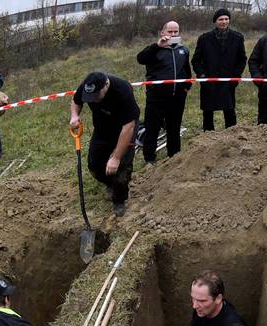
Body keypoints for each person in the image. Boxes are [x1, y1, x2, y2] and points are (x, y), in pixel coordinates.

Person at [70, 71, 140, 217]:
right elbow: (76, 101)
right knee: (94, 165)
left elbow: (128, 128)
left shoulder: (122, 90)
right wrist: (75, 116)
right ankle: (109, 183)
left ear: (106, 85)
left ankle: (119, 200)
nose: (93, 100)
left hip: (124, 128)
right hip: (102, 128)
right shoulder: (87, 85)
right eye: (91, 97)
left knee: (121, 170)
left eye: (96, 96)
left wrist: (116, 157)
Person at [137, 20, 192, 164]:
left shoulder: (183, 50)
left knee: (174, 127)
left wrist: (186, 87)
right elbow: (140, 59)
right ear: (163, 33)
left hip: (178, 97)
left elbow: (187, 70)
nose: (173, 34)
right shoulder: (155, 50)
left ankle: (174, 157)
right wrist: (157, 46)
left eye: (176, 32)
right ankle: (149, 159)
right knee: (152, 128)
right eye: (170, 31)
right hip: (157, 97)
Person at [192, 9, 247, 131]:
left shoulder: (237, 37)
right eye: (221, 19)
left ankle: (232, 135)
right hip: (209, 81)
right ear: (215, 21)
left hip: (228, 81)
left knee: (230, 111)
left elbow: (242, 59)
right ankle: (208, 137)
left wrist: (236, 76)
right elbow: (195, 60)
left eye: (226, 19)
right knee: (208, 112)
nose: (224, 22)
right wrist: (201, 74)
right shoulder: (204, 38)